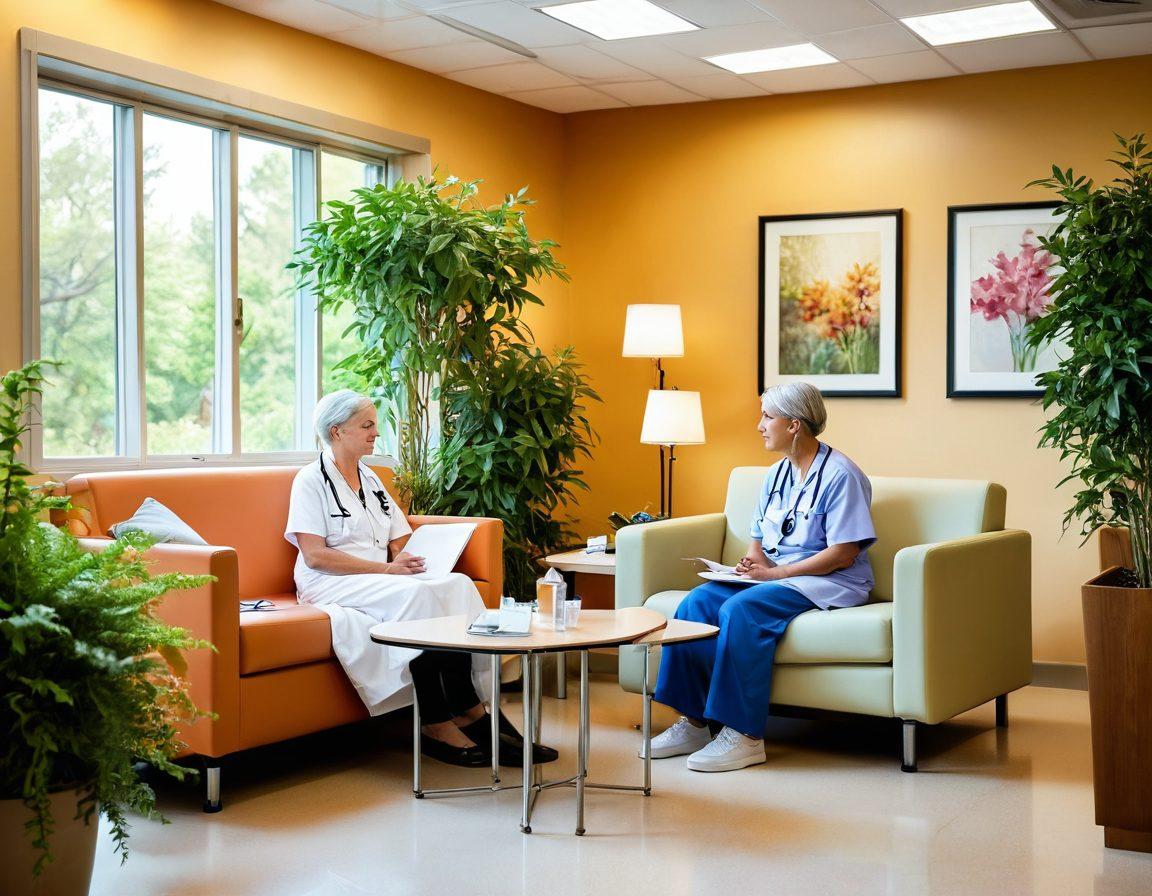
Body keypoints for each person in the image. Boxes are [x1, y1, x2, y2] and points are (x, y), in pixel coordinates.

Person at [285, 390, 557, 768]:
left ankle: (469, 707)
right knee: (417, 597)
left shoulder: (371, 478)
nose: (375, 433)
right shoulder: (310, 480)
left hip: (380, 576)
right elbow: (315, 555)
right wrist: (389, 570)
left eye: (374, 425)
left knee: (457, 585)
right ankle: (434, 719)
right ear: (337, 431)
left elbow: (399, 537)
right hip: (329, 579)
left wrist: (411, 559)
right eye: (366, 426)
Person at [649, 382, 876, 773]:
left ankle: (744, 735)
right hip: (778, 576)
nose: (759, 425)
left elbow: (843, 553)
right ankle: (695, 722)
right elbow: (757, 541)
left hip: (830, 581)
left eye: (767, 416)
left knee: (742, 611)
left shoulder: (841, 475)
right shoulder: (776, 474)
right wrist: (751, 565)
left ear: (794, 424)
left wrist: (775, 574)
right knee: (696, 602)